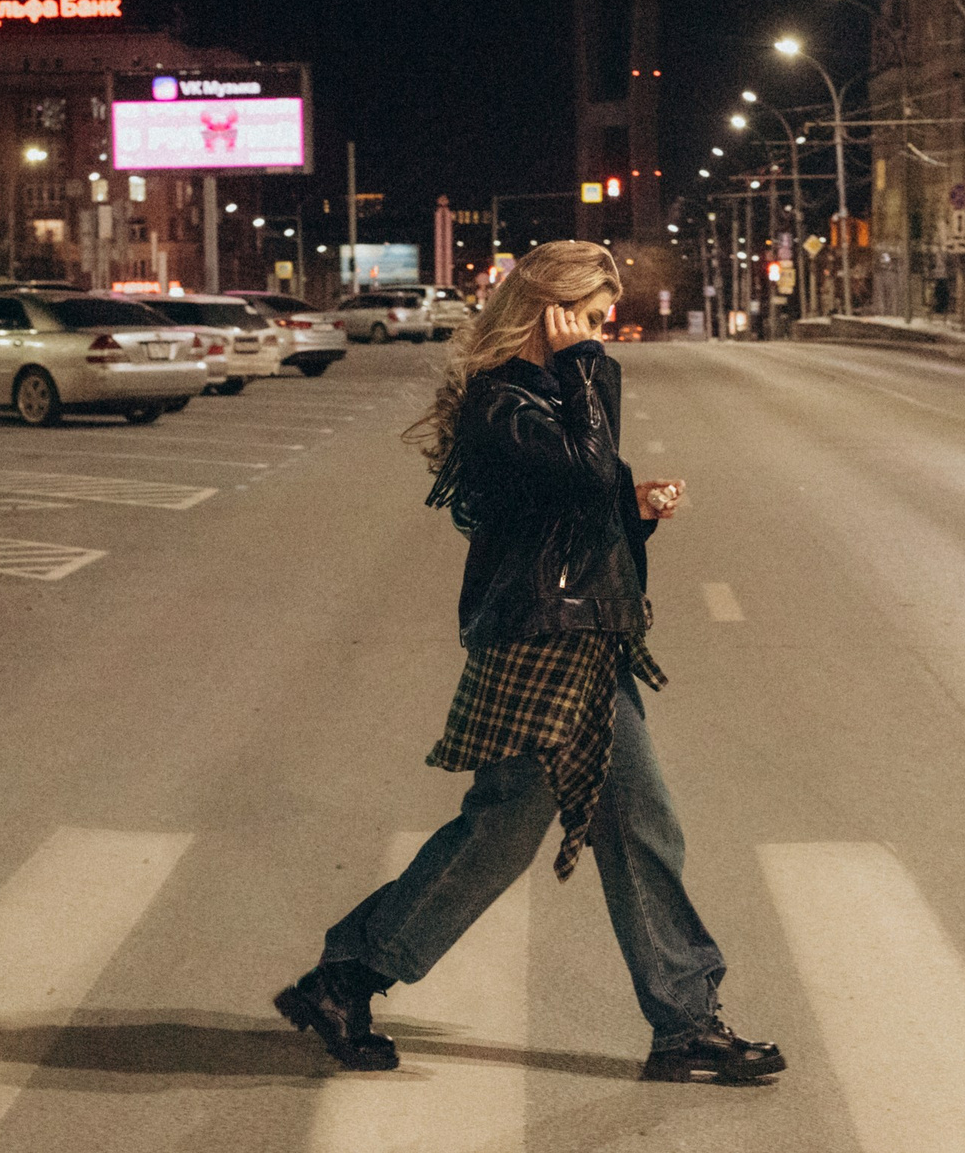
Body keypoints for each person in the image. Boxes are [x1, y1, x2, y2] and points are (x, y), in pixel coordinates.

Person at [276, 240, 784, 1085]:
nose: (599, 336)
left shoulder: (540, 397)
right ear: (546, 312)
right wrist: (588, 373)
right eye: (588, 319)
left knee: (634, 825)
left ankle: (685, 1020)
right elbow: (579, 477)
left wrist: (633, 508)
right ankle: (347, 975)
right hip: (543, 644)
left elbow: (570, 506)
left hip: (579, 636)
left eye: (601, 324)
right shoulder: (503, 401)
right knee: (505, 833)